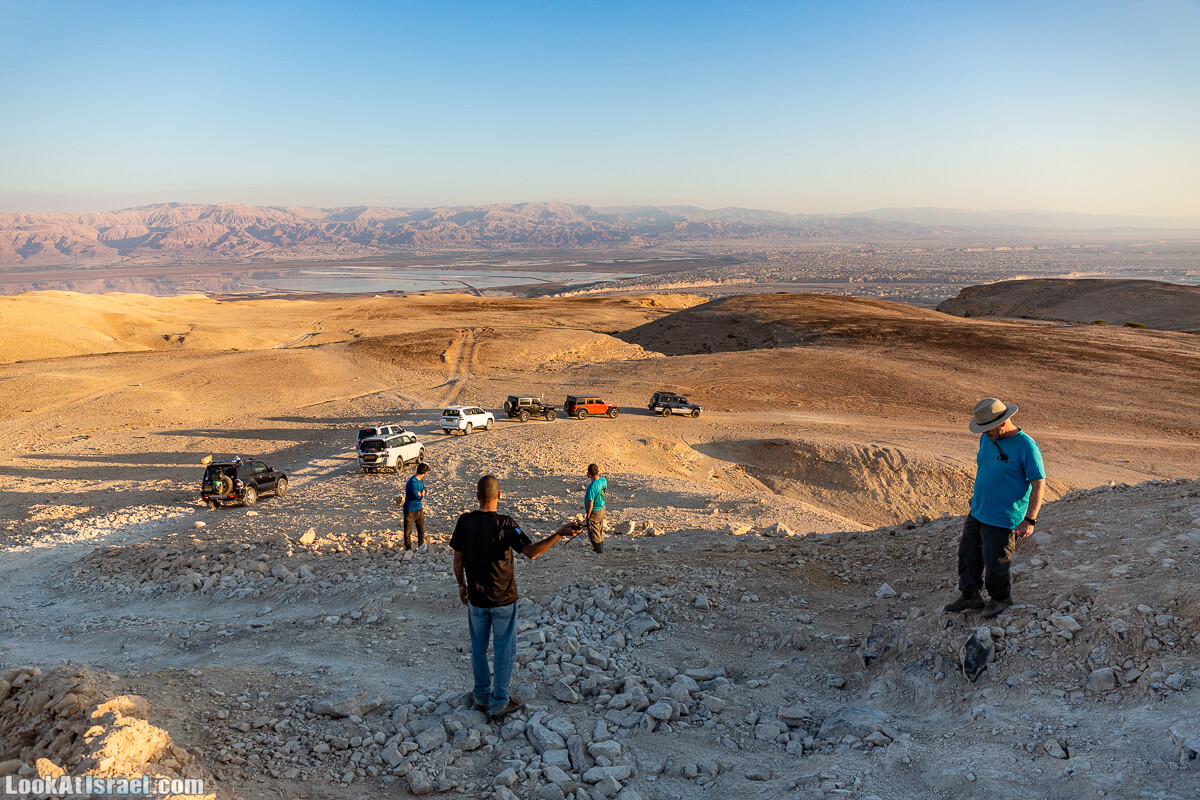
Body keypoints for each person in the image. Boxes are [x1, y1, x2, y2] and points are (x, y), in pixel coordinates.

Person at [451, 475, 581, 719]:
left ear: (477, 496)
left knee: (478, 649)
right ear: (499, 495)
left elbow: (458, 559)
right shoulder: (506, 524)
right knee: (503, 650)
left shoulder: (464, 522)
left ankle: (481, 697)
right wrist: (559, 534)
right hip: (503, 599)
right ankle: (499, 702)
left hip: (476, 599)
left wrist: (461, 585)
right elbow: (531, 552)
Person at [944, 398, 1046, 619]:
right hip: (979, 509)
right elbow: (986, 467)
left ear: (1001, 425)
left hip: (1004, 517)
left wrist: (1030, 520)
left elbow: (1039, 482)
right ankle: (970, 597)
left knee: (996, 560)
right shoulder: (987, 438)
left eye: (988, 430)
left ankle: (1001, 599)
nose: (984, 434)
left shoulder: (1026, 446)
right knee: (967, 554)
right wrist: (977, 496)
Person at [397, 463, 429, 550]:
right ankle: (408, 548)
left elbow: (424, 489)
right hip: (410, 510)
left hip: (419, 508)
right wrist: (422, 495)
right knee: (407, 531)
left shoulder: (420, 479)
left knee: (421, 529)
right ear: (425, 473)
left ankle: (421, 546)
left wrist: (422, 492)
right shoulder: (412, 482)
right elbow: (417, 497)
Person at [584, 463, 607, 554]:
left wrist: (588, 514)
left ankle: (598, 551)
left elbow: (590, 503)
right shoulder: (603, 480)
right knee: (599, 529)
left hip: (594, 510)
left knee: (593, 531)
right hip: (602, 507)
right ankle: (600, 547)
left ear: (589, 473)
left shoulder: (592, 486)